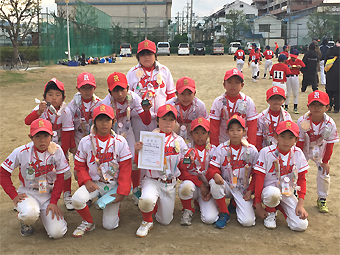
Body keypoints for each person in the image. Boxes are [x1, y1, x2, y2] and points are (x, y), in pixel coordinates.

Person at [0, 118, 68, 238]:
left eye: (46, 135)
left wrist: (54, 201)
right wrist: (13, 195)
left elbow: (61, 177)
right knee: (29, 214)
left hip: (48, 194)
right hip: (28, 193)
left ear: (52, 136)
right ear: (30, 137)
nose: (42, 140)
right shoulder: (21, 151)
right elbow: (3, 173)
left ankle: (43, 215)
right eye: (38, 136)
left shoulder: (57, 151)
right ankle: (25, 221)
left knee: (57, 233)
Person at [71, 104, 132, 237]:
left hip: (113, 185)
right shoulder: (86, 141)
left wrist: (121, 192)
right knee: (76, 199)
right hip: (95, 183)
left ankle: (112, 205)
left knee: (110, 226)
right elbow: (79, 165)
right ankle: (88, 222)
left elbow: (126, 169)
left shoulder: (120, 141)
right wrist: (86, 181)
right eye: (100, 120)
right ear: (94, 122)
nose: (104, 124)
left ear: (113, 122)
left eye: (107, 120)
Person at [134, 104, 187, 237]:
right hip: (152, 180)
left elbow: (183, 163)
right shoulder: (149, 138)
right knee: (146, 201)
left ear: (175, 122)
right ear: (157, 121)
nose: (168, 122)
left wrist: (189, 158)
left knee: (165, 221)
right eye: (164, 119)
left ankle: (156, 206)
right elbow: (139, 163)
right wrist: (137, 151)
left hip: (169, 182)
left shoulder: (179, 141)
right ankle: (147, 220)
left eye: (171, 119)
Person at [24, 78, 76, 210]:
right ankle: (30, 195)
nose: (54, 98)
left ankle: (67, 195)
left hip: (58, 145)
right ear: (44, 97)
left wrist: (62, 152)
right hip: (41, 143)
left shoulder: (66, 111)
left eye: (58, 95)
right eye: (50, 94)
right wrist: (38, 112)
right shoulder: (40, 109)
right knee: (39, 169)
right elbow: (27, 121)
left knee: (65, 171)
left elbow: (67, 133)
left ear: (63, 98)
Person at [101, 72, 152, 205]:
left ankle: (135, 188)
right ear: (109, 91)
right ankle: (109, 188)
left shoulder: (133, 98)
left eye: (122, 89)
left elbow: (146, 121)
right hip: (111, 132)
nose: (119, 94)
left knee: (134, 160)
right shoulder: (105, 103)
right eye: (115, 90)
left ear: (128, 88)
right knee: (110, 160)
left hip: (127, 130)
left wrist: (146, 111)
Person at [254, 120, 309, 231]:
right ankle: (270, 212)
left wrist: (300, 204)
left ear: (296, 139)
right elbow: (258, 179)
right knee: (273, 193)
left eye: (290, 137)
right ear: (276, 137)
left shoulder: (298, 153)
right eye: (282, 136)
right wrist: (258, 204)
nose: (286, 141)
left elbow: (302, 179)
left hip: (287, 191)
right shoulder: (266, 152)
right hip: (269, 191)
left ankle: (279, 206)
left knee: (300, 225)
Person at [206, 115, 258, 229]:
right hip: (226, 184)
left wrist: (251, 190)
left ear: (244, 131)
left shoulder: (252, 150)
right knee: (214, 182)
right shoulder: (221, 148)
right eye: (232, 130)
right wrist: (215, 174)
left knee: (247, 222)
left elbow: (256, 174)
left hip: (242, 188)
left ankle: (234, 203)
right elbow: (212, 168)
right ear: (227, 132)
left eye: (239, 130)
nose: (235, 133)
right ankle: (225, 213)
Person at [296, 90, 339, 213]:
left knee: (324, 173)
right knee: (296, 170)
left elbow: (330, 143)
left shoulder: (330, 123)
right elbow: (299, 142)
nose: (316, 108)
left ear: (327, 107)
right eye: (313, 104)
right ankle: (295, 193)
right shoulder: (302, 120)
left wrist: (325, 161)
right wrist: (297, 158)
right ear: (308, 106)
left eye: (320, 105)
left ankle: (322, 198)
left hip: (320, 149)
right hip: (304, 148)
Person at [126, 39, 176, 143]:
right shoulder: (132, 72)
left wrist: (169, 115)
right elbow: (128, 96)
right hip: (138, 118)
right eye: (142, 54)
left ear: (155, 55)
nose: (146, 57)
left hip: (161, 118)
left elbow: (171, 95)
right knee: (140, 147)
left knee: (159, 148)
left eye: (149, 53)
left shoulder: (164, 71)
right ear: (138, 56)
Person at [178, 117, 219, 226]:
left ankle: (202, 202)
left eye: (203, 132)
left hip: (207, 189)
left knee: (210, 219)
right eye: (196, 132)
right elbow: (181, 173)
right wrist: (200, 184)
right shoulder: (186, 149)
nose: (200, 136)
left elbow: (216, 171)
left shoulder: (214, 149)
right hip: (194, 185)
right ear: (191, 134)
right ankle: (187, 209)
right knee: (185, 187)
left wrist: (211, 190)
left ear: (209, 134)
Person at [209, 68, 258, 147]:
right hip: (223, 143)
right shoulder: (218, 102)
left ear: (242, 85)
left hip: (243, 142)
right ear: (224, 85)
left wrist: (250, 147)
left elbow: (252, 127)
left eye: (236, 82)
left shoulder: (248, 101)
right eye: (229, 82)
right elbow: (214, 127)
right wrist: (215, 147)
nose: (233, 85)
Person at [165, 76, 208, 144]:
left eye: (189, 93)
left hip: (194, 140)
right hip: (173, 140)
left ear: (194, 93)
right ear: (176, 94)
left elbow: (204, 128)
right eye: (182, 94)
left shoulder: (199, 106)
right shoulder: (169, 105)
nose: (186, 97)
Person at [67, 72, 102, 147]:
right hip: (78, 137)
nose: (87, 91)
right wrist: (72, 144)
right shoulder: (73, 105)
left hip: (96, 137)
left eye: (90, 88)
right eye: (83, 88)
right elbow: (69, 126)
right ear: (78, 89)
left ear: (94, 88)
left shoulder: (99, 104)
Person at [256, 86, 292, 152]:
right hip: (265, 149)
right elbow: (259, 137)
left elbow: (289, 135)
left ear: (284, 100)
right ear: (267, 100)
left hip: (282, 148)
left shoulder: (287, 116)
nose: (276, 101)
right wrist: (260, 151)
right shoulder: (261, 117)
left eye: (279, 98)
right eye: (273, 98)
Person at [285, 49, 306, 114]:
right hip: (288, 77)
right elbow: (284, 67)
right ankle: (286, 106)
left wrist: (300, 67)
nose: (292, 58)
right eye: (292, 56)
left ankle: (295, 107)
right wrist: (288, 67)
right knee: (287, 93)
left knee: (295, 93)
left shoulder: (299, 61)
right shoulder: (287, 61)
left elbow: (304, 68)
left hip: (295, 76)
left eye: (294, 57)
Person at [324, 38, 340, 113]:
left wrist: (325, 71)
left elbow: (325, 60)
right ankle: (337, 108)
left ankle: (329, 105)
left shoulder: (330, 50)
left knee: (329, 90)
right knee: (338, 92)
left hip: (330, 72)